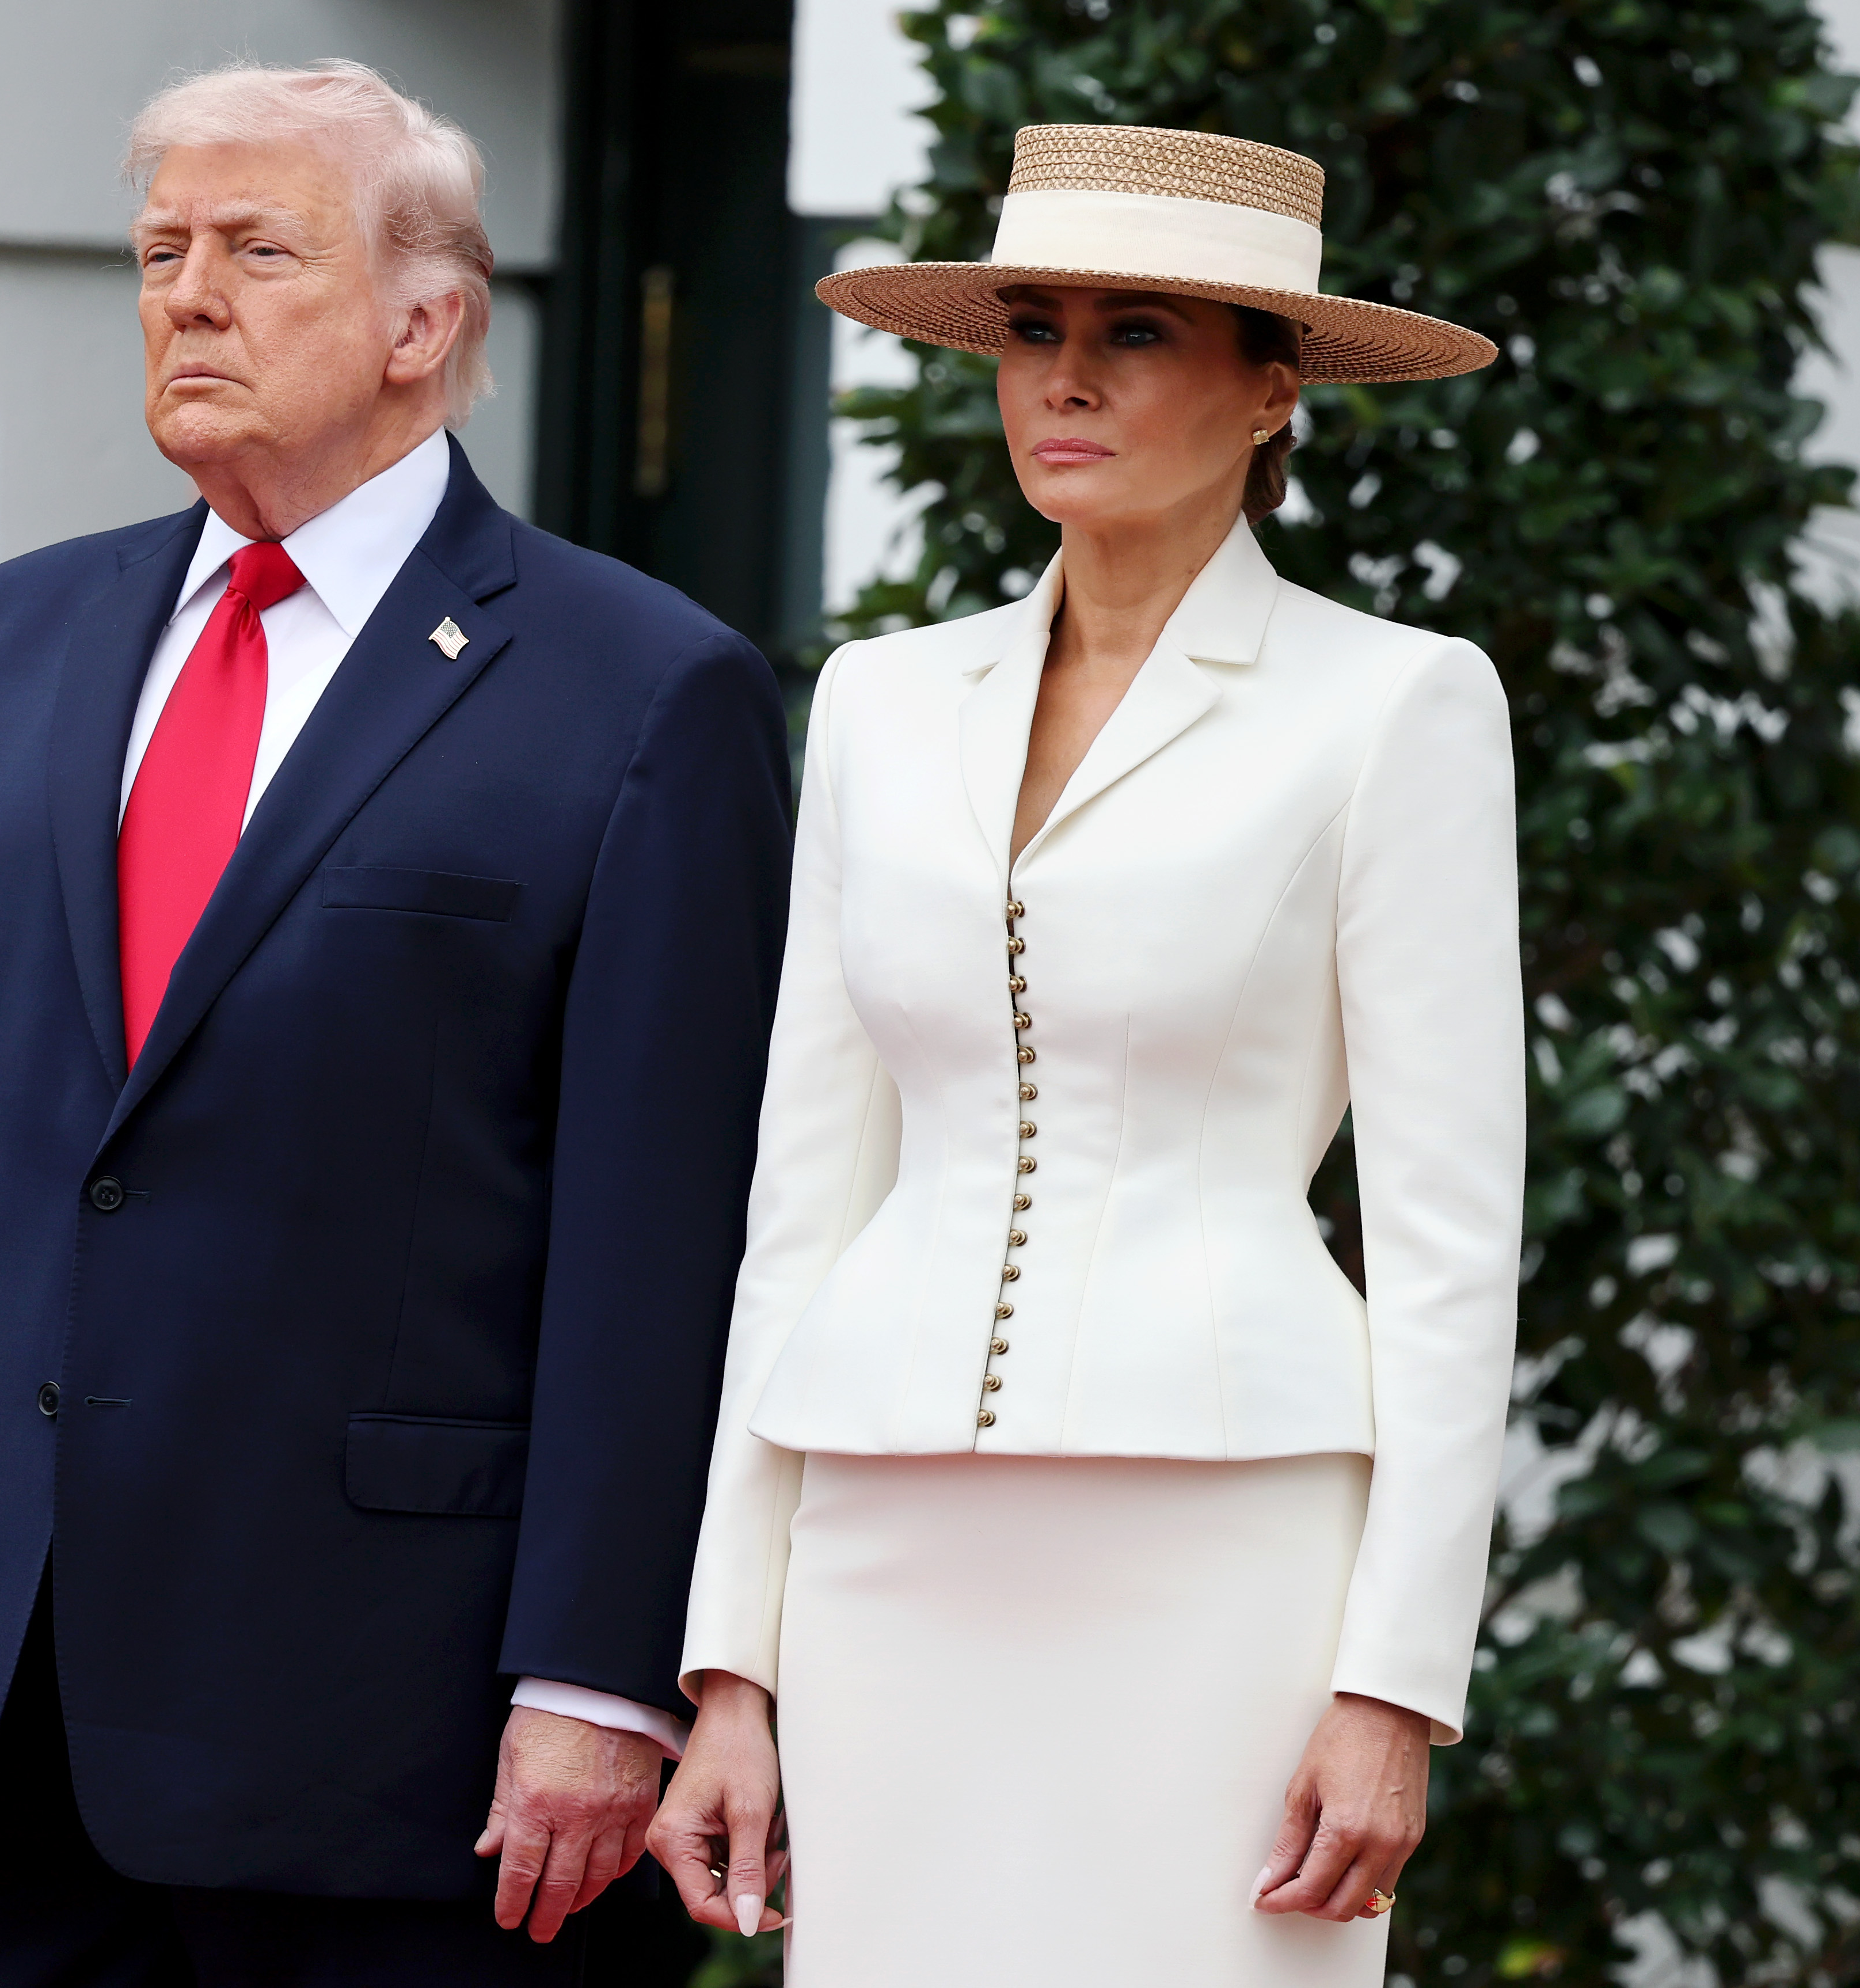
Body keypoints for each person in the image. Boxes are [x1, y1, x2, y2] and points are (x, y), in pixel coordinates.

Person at [0, 60, 792, 1988]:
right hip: (7, 1697)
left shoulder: (647, 692)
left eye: (255, 249)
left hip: (411, 1748)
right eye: (158, 250)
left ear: (424, 319)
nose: (186, 295)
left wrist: (598, 1672)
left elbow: (664, 1239)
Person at [650, 123, 1524, 1984]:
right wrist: (731, 1660)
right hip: (880, 1540)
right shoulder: (881, 702)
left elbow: (1451, 1246)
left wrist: (1395, 1685)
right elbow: (801, 1199)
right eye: (1031, 325)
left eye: (1135, 329)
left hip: (1227, 1550)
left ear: (1269, 390)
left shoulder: (1396, 706)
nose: (1060, 373)